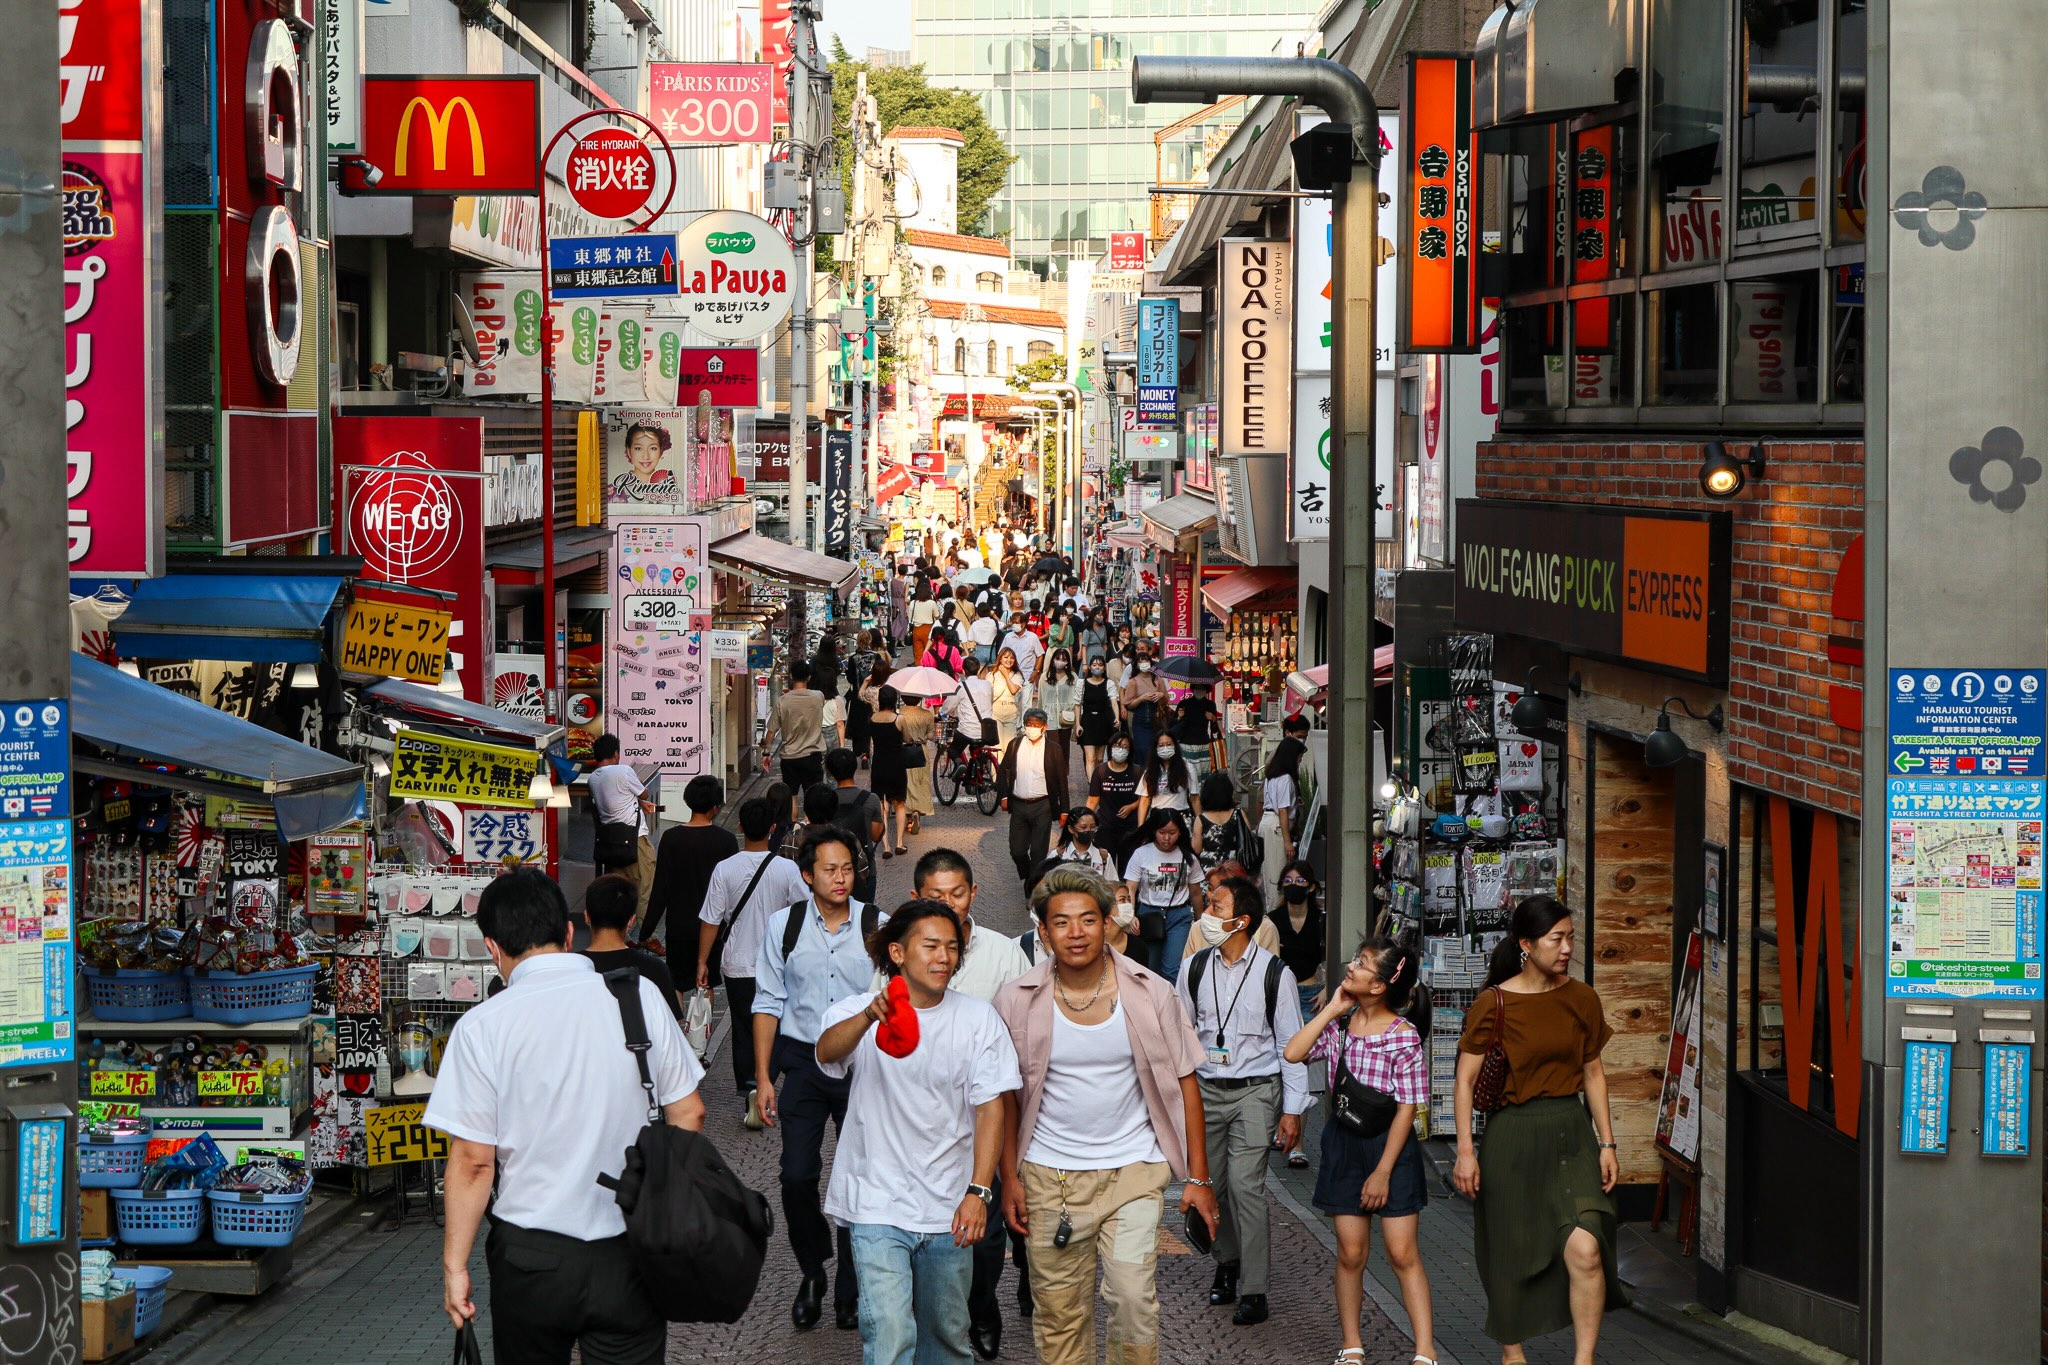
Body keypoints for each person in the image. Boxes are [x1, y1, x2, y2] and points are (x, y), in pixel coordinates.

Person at [427, 869, 706, 1364]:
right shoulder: (637, 997)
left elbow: (473, 1162)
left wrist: (455, 1266)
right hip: (628, 1249)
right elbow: (690, 1112)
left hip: (530, 1258)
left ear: (492, 948)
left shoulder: (481, 1027)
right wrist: (662, 1204)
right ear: (570, 931)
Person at [993, 865, 1220, 1365]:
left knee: (1134, 1301)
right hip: (1049, 1180)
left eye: (1087, 919)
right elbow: (1005, 1099)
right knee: (1059, 1316)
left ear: (1107, 922)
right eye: (1061, 922)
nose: (1075, 932)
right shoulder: (1015, 999)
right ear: (1044, 931)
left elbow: (1186, 1081)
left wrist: (1199, 1179)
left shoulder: (1151, 991)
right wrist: (1009, 1178)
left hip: (1134, 1173)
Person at [817, 901, 1020, 1365]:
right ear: (897, 952)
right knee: (889, 1335)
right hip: (876, 1203)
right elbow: (827, 1051)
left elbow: (991, 1108)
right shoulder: (857, 1012)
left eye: (952, 947)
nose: (943, 957)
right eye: (930, 946)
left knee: (946, 1341)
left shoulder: (978, 1019)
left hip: (948, 1207)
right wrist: (869, 1017)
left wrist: (979, 1192)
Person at [1454, 895, 1626, 1362]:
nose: (1567, 948)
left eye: (1570, 937)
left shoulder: (1582, 998)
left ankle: (1584, 1360)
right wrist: (1465, 1151)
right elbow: (1464, 1080)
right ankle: (1513, 1353)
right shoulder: (1494, 1003)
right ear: (1526, 945)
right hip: (1512, 1137)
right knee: (1509, 1251)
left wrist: (1608, 1143)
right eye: (1556, 939)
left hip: (1572, 1133)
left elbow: (1593, 1072)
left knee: (1587, 1246)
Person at [1284, 937, 1439, 1365]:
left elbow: (1407, 1108)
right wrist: (1332, 1009)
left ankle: (1425, 1350)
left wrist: (1383, 1171)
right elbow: (1293, 1053)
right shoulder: (1340, 1026)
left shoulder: (1403, 1037)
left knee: (1402, 1253)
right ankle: (1352, 1345)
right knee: (1351, 1253)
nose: (1351, 966)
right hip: (1343, 1144)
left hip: (1390, 1148)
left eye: (1363, 963)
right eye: (1357, 958)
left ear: (1379, 985)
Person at [754, 826, 879, 1332]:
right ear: (807, 875)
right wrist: (763, 1077)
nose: (840, 878)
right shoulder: (783, 926)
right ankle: (813, 1271)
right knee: (796, 1174)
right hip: (803, 1063)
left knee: (860, 1176)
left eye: (847, 868)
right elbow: (767, 1000)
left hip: (861, 1064)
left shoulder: (875, 925)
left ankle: (851, 1287)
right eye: (829, 869)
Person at [913, 850, 1035, 1358]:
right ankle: (940, 1317)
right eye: (936, 896)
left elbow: (1027, 1030)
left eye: (957, 894)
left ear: (973, 894)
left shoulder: (1004, 955)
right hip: (923, 1118)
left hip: (990, 1114)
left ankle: (983, 1305)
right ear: (917, 897)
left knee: (987, 1229)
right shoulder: (901, 953)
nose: (948, 904)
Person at [1175, 876, 1308, 1328]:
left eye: (1216, 907)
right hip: (1206, 1091)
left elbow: (1291, 1045)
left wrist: (1293, 1110)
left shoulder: (1275, 973)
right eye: (1208, 905)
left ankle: (1254, 1288)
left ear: (1242, 920)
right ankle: (1226, 1261)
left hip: (1256, 1090)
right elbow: (1181, 1037)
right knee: (1212, 1185)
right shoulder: (1193, 968)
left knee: (1246, 1185)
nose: (1206, 914)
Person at [697, 798, 811, 1128]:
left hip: (737, 964)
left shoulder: (724, 869)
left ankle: (750, 1085)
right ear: (773, 829)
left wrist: (702, 961)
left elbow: (711, 920)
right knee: (774, 1025)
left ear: (740, 827)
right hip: (777, 964)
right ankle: (766, 1082)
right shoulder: (787, 869)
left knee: (744, 1028)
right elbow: (804, 911)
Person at [642, 775, 738, 951]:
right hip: (715, 926)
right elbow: (733, 889)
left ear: (688, 801)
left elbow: (661, 887)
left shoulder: (671, 838)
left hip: (679, 926)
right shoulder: (727, 840)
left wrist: (646, 929)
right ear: (715, 808)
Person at [579, 873, 682, 1020]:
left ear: (587, 917)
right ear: (631, 921)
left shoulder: (572, 968)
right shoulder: (656, 970)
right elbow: (670, 1026)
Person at [1123, 810, 1203, 979]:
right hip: (1149, 915)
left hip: (1179, 916)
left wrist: (1200, 921)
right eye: (1162, 832)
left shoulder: (1188, 857)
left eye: (1172, 833)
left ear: (1180, 832)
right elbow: (1131, 888)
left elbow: (1195, 893)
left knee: (1172, 969)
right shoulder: (1141, 853)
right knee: (1150, 967)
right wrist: (1130, 915)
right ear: (1154, 831)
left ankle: (1171, 996)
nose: (1167, 838)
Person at [586, 734, 657, 919]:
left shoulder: (592, 779)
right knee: (644, 890)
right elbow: (644, 794)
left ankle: (620, 930)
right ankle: (645, 932)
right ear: (616, 754)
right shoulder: (624, 771)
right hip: (635, 841)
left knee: (618, 893)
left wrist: (638, 803)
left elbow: (615, 799)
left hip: (611, 844)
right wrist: (642, 798)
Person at [997, 708, 1069, 888]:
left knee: (1038, 852)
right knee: (1017, 851)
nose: (1032, 728)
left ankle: (1033, 887)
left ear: (1044, 727)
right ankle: (1030, 875)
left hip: (1043, 806)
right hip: (1019, 805)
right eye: (1029, 724)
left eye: (1036, 725)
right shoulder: (1015, 745)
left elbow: (1062, 781)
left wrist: (1064, 810)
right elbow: (1003, 771)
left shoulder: (1054, 749)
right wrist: (1004, 796)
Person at [1260, 714, 1312, 904]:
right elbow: (1282, 810)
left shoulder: (1273, 775)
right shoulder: (1285, 779)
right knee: (1277, 876)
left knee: (1272, 874)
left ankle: (1273, 909)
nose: (1300, 760)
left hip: (1270, 825)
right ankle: (1274, 912)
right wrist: (1287, 841)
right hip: (1277, 829)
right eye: (1299, 757)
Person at [1271, 860, 1328, 1024]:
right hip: (1281, 994)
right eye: (1288, 881)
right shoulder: (1272, 920)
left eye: (1300, 880)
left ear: (1311, 887)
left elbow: (1334, 957)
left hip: (1313, 995)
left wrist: (1327, 989)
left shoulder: (1321, 920)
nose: (1293, 885)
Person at [827, 750, 886, 902]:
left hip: (832, 870)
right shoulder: (871, 799)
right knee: (864, 913)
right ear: (855, 767)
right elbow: (876, 836)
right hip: (864, 869)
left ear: (831, 772)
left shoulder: (826, 800)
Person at [764, 669, 829, 792]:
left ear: (791, 676)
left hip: (789, 756)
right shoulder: (818, 696)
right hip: (812, 755)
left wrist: (766, 753)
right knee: (813, 796)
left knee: (791, 794)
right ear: (809, 677)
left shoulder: (782, 701)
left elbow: (771, 731)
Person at [1087, 735, 1143, 874]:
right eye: (1117, 746)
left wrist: (1132, 806)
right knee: (1105, 871)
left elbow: (1144, 799)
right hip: (1106, 828)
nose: (1120, 750)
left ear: (1130, 750)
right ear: (1110, 747)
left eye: (1125, 747)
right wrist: (1084, 821)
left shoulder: (1137, 772)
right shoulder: (1100, 771)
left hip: (1129, 829)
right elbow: (1093, 800)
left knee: (1128, 871)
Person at [868, 687, 912, 858]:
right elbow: (907, 739)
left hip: (879, 765)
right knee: (899, 803)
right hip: (896, 765)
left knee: (882, 805)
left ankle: (886, 846)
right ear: (894, 700)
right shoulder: (899, 719)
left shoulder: (872, 718)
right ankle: (899, 843)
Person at [1192, 773, 1258, 880]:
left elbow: (1196, 849)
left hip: (1209, 873)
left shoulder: (1201, 819)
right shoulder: (1238, 814)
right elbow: (1248, 839)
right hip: (1235, 870)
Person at [1035, 649, 1080, 798]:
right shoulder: (1045, 676)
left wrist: (1077, 720)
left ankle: (1063, 776)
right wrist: (1040, 718)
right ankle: (1054, 778)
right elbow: (1041, 698)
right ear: (1053, 659)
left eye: (1063, 659)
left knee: (1064, 748)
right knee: (1054, 748)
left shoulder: (1073, 677)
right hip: (1050, 717)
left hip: (1066, 717)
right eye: (1058, 658)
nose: (1060, 661)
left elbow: (1077, 698)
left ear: (1067, 662)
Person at [1040, 805, 1116, 881]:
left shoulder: (1104, 857)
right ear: (1071, 829)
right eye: (1083, 827)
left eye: (1092, 827)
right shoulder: (1056, 856)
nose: (1088, 830)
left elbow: (1113, 884)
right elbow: (1045, 883)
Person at [1075, 656, 1121, 779]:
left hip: (1104, 722)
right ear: (1090, 667)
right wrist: (1078, 724)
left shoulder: (1109, 683)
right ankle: (1092, 785)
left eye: (1100, 665)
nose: (1097, 667)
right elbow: (1077, 704)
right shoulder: (1082, 683)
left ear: (1104, 668)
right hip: (1087, 721)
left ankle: (1098, 781)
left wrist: (1117, 718)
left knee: (1100, 758)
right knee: (1090, 758)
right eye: (1094, 665)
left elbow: (1114, 702)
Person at [1136, 734, 1195, 827]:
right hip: (1157, 818)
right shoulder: (1150, 771)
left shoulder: (1187, 767)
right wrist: (1140, 828)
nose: (1165, 748)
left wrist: (1201, 825)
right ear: (1156, 748)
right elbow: (1144, 801)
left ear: (1175, 746)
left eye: (1169, 744)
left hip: (1180, 817)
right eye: (1161, 745)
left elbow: (1194, 798)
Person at [899, 696, 937, 837]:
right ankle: (918, 812)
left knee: (907, 783)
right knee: (921, 782)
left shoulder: (900, 713)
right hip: (921, 750)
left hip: (904, 750)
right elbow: (931, 736)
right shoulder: (927, 714)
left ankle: (909, 817)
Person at [1123, 653, 1169, 758]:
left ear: (1150, 662)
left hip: (1156, 720)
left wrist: (1161, 695)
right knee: (1142, 750)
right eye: (1140, 661)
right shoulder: (1133, 681)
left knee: (1156, 751)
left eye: (1146, 660)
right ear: (1136, 665)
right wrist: (1141, 698)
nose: (1143, 663)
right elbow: (1129, 705)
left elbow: (1165, 700)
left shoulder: (1158, 679)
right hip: (1140, 720)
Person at [988, 647, 1026, 746]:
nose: (1009, 660)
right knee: (997, 745)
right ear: (1000, 659)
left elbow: (1013, 690)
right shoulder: (992, 675)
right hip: (996, 712)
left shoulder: (1017, 675)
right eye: (1006, 657)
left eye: (1012, 658)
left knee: (1010, 745)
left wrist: (1006, 675)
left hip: (1011, 713)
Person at [998, 614, 1045, 686]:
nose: (1014, 625)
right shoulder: (1008, 637)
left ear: (1023, 624)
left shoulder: (1032, 637)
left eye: (1016, 623)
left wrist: (1036, 671)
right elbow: (1001, 654)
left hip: (1028, 676)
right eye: (1013, 623)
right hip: (1011, 676)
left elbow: (1040, 655)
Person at [910, 583, 940, 660]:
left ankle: (919, 666)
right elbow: (937, 616)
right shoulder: (932, 603)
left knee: (918, 654)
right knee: (930, 652)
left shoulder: (913, 603)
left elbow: (910, 618)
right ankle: (929, 666)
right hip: (928, 629)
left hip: (916, 629)